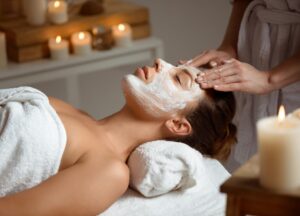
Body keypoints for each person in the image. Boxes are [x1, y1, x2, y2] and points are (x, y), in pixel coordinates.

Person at [0, 59, 236, 215]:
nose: (160, 62)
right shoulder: (74, 111)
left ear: (177, 124)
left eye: (177, 78)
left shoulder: (109, 172)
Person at [184, 0, 300, 171]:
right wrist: (228, 46)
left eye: (180, 79)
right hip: (254, 40)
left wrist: (268, 79)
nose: (158, 63)